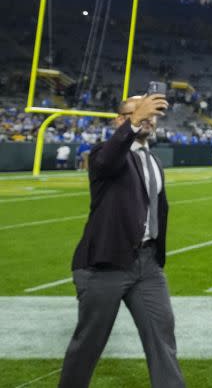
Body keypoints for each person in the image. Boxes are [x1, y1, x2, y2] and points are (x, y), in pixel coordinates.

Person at [59, 94, 185, 388]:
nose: (146, 118)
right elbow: (107, 160)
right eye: (136, 113)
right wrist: (134, 120)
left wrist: (153, 253)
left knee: (162, 338)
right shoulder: (106, 152)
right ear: (120, 120)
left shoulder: (152, 159)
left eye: (150, 114)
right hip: (105, 264)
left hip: (147, 264)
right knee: (88, 344)